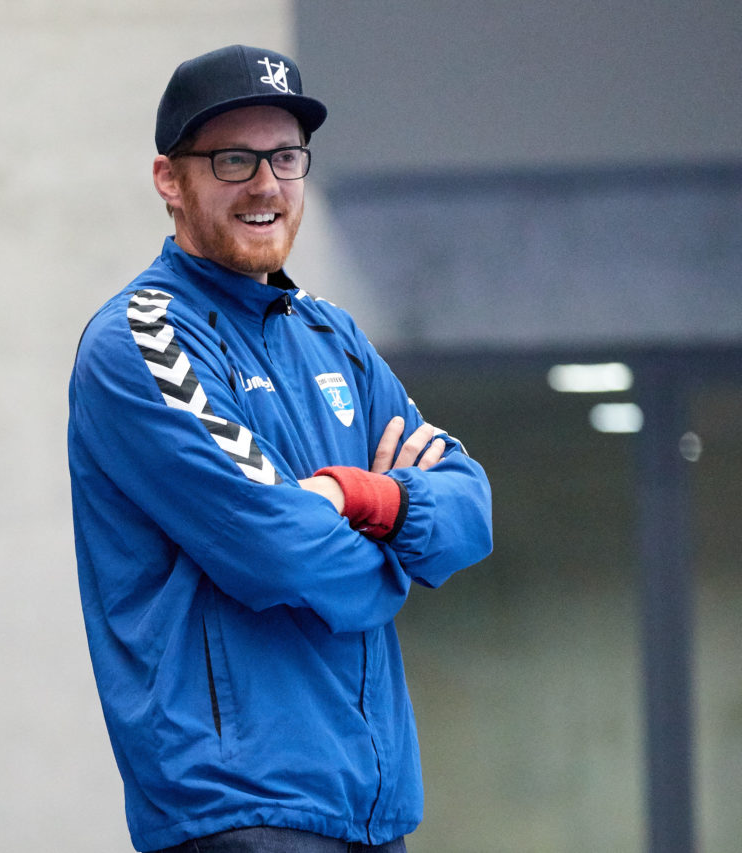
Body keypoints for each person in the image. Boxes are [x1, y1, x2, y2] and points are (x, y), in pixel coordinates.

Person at [67, 45, 493, 852]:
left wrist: (366, 497)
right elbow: (279, 552)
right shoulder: (143, 339)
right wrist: (394, 558)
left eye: (286, 157)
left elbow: (472, 509)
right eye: (233, 159)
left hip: (373, 809)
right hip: (240, 811)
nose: (266, 183)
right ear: (170, 179)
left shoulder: (333, 335)